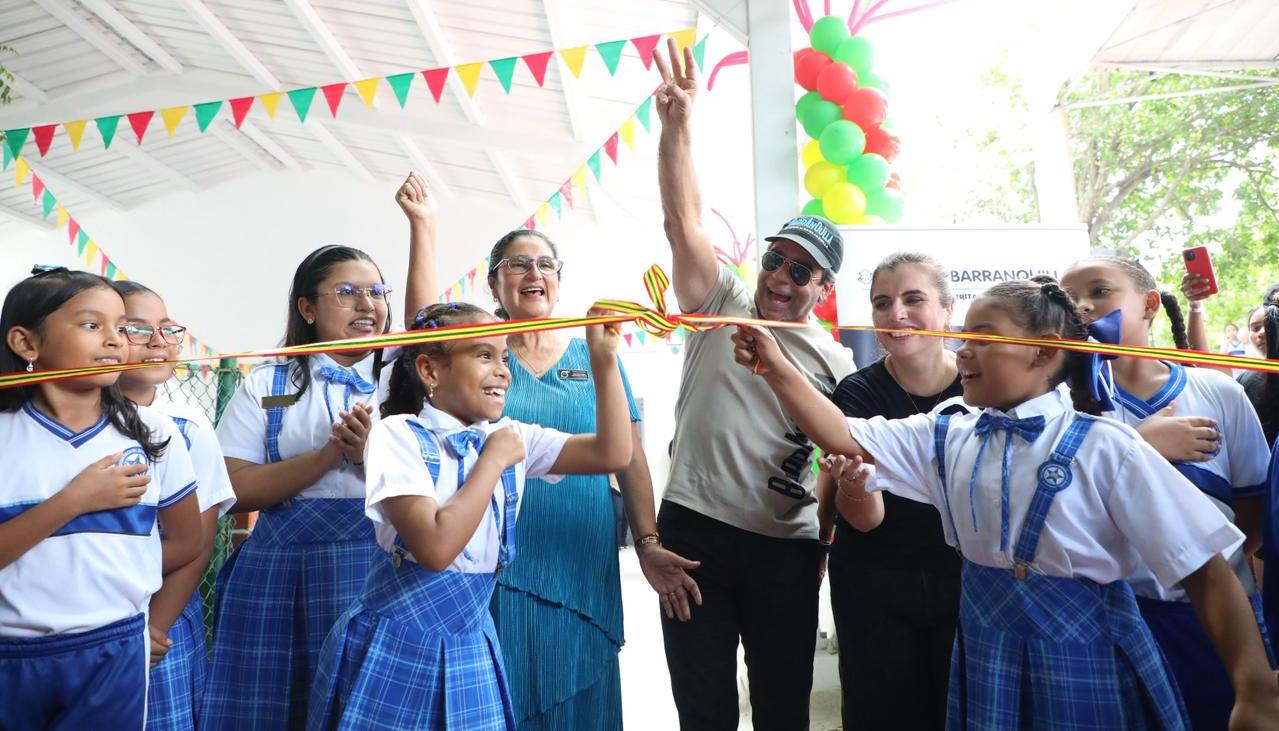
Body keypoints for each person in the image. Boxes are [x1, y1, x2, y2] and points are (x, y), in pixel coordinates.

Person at [732, 279, 1279, 729]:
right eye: (964, 335)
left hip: (1082, 657)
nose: (962, 349)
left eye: (982, 336)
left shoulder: (1106, 445)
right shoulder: (948, 433)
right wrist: (777, 368)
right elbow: (844, 434)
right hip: (986, 649)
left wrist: (1253, 684)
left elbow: (1205, 568)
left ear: (1043, 349)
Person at [652, 40, 856, 729]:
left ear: (822, 290)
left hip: (785, 547)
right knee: (704, 711)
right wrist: (677, 127)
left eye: (801, 272)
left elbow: (839, 458)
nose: (779, 277)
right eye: (775, 259)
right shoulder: (722, 303)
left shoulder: (836, 362)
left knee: (781, 709)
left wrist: (822, 540)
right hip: (695, 532)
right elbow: (684, 221)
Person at [307, 302, 632, 730]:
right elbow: (436, 548)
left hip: (471, 642)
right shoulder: (396, 436)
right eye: (483, 355)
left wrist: (604, 362)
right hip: (397, 641)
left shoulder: (510, 437)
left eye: (503, 357)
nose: (502, 370)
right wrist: (492, 463)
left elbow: (613, 452)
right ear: (430, 370)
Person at [204, 179, 438, 729]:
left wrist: (422, 225)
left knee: (358, 706)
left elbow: (429, 327)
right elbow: (232, 485)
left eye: (377, 293)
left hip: (374, 563)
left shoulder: (401, 374)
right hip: (276, 567)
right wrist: (329, 456)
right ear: (306, 307)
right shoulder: (268, 379)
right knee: (270, 708)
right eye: (348, 292)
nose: (368, 305)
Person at [475, 228, 700, 730]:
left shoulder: (596, 356)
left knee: (581, 685)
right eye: (517, 264)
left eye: (545, 265)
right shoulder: (478, 356)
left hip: (580, 548)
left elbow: (631, 458)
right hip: (498, 555)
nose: (534, 274)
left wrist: (648, 543)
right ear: (494, 284)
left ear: (558, 280)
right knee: (501, 688)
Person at [1061, 256, 1273, 730]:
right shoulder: (1064, 409)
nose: (1083, 308)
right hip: (1114, 623)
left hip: (1218, 625)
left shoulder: (1219, 391)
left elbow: (1251, 514)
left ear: (1150, 304)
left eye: (1099, 292)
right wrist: (1142, 447)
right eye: (1070, 302)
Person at [0, 268, 201, 729]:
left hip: (113, 653)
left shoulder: (155, 433)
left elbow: (189, 543)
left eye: (120, 327)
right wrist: (74, 501)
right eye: (93, 325)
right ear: (26, 344)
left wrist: (139, 611)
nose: (115, 341)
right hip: (10, 654)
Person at [821, 252, 961, 730]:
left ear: (947, 309)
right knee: (878, 712)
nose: (896, 313)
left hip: (963, 580)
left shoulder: (983, 384)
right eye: (883, 303)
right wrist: (854, 487)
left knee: (955, 708)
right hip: (874, 580)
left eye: (913, 299)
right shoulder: (856, 393)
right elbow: (863, 519)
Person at [113, 280, 237, 730]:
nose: (160, 343)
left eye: (167, 329)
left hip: (159, 614)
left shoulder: (186, 429)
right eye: (138, 329)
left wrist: (155, 629)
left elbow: (197, 544)